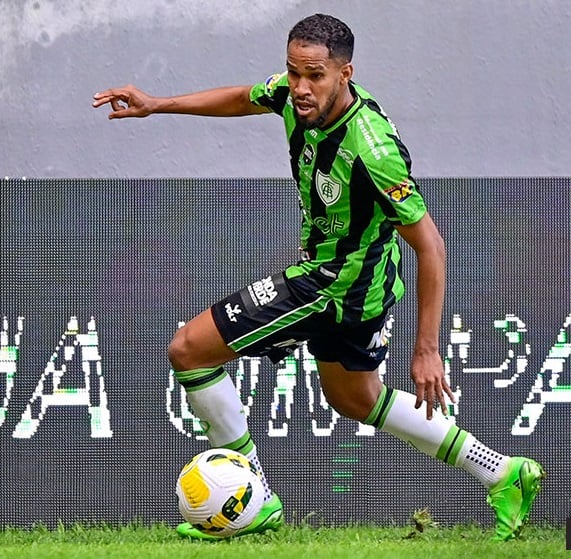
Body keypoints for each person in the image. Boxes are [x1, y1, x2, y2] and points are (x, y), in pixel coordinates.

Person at [93, 13, 544, 541]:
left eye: (314, 76)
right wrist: (157, 104)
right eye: (293, 72)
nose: (299, 88)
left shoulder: (372, 151)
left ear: (344, 73)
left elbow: (432, 246)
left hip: (336, 284)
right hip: (353, 281)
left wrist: (427, 348)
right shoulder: (292, 93)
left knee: (189, 350)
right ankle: (502, 472)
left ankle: (253, 500)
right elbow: (243, 97)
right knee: (356, 399)